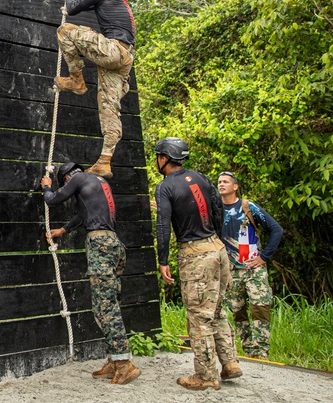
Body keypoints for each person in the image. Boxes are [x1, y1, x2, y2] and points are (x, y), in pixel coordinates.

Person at [153, 137, 241, 391]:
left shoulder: (165, 187)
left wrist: (162, 260)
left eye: (158, 156)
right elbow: (218, 211)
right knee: (216, 310)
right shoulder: (201, 178)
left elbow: (163, 225)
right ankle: (230, 363)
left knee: (198, 316)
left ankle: (205, 376)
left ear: (165, 158)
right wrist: (217, 240)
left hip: (195, 254)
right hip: (217, 248)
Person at [41, 161, 141, 385]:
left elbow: (53, 199)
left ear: (67, 178)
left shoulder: (76, 178)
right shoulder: (98, 181)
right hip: (114, 244)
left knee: (104, 308)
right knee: (110, 303)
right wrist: (64, 229)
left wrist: (47, 187)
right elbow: (84, 212)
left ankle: (124, 363)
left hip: (100, 246)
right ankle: (115, 361)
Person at [53, 0, 136, 179]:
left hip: (113, 49)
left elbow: (73, 8)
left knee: (65, 32)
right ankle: (105, 160)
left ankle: (76, 79)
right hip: (125, 56)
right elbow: (86, 1)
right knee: (109, 105)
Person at [217, 171, 283, 359]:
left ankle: (261, 352)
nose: (221, 185)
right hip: (230, 270)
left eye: (226, 182)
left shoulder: (248, 206)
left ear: (235, 186)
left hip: (253, 267)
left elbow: (276, 230)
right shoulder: (216, 209)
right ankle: (248, 350)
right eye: (219, 182)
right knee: (237, 311)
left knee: (260, 308)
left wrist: (264, 257)